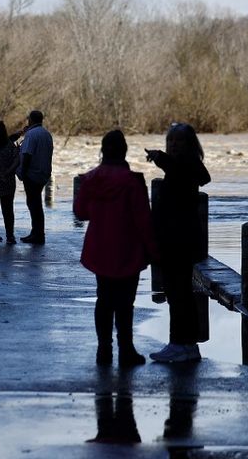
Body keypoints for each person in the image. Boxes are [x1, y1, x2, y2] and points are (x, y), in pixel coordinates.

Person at [74, 130, 156, 366]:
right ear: (124, 151)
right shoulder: (132, 182)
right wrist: (154, 251)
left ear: (102, 150)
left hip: (99, 247)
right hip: (128, 248)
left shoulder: (90, 179)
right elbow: (143, 220)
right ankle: (126, 350)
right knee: (125, 303)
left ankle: (104, 349)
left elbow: (81, 212)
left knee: (104, 299)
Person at [145, 122, 211, 363]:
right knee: (178, 292)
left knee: (178, 293)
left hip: (178, 240)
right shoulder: (183, 165)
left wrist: (161, 158)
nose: (173, 144)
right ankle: (186, 344)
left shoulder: (186, 165)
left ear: (189, 143)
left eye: (178, 140)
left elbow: (183, 172)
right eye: (170, 140)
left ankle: (180, 343)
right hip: (177, 239)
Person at [17, 109, 53, 244]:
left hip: (32, 173)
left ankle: (38, 234)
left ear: (30, 120)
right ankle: (37, 233)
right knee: (36, 203)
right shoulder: (46, 134)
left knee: (34, 204)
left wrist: (22, 172)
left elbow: (27, 154)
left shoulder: (31, 134)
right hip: (43, 173)